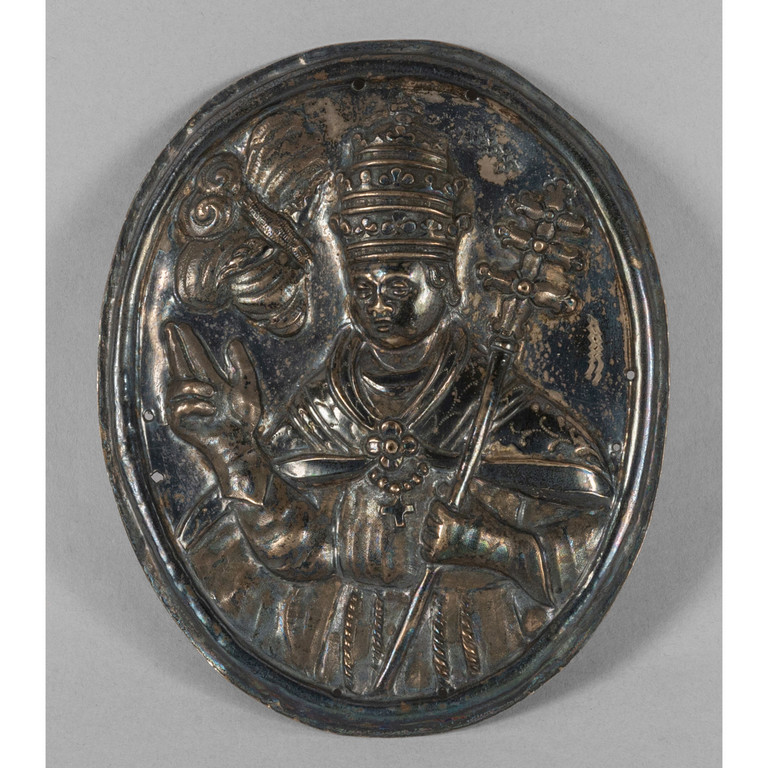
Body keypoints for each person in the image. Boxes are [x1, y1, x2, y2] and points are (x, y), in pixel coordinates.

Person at [164, 115, 612, 698]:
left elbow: (590, 546)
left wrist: (488, 545)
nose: (377, 304)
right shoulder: (320, 413)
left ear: (445, 280)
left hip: (484, 641)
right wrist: (232, 451)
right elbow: (292, 552)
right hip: (336, 654)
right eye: (363, 286)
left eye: (398, 287)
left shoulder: (505, 413)